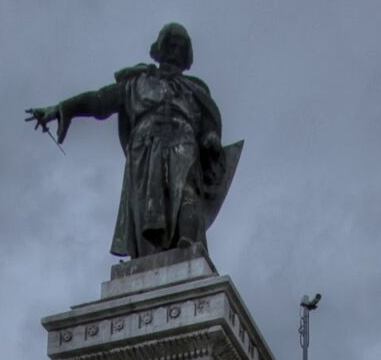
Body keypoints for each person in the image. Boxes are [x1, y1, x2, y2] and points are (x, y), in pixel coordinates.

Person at [28, 24, 236, 258]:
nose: (174, 50)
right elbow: (99, 101)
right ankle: (151, 254)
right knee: (145, 204)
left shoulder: (195, 89)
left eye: (180, 46)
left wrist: (210, 137)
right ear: (160, 48)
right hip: (144, 147)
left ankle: (189, 244)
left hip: (183, 141)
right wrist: (61, 109)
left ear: (186, 54)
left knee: (187, 191)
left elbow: (207, 123)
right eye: (170, 44)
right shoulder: (136, 83)